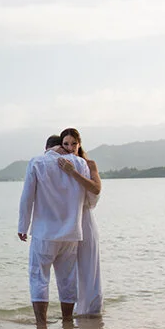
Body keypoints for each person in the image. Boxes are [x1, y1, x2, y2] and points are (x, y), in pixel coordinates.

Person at [18, 133, 91, 327]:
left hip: (45, 232)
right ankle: (67, 322)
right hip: (71, 231)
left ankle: (41, 325)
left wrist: (22, 226)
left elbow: (27, 197)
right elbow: (87, 193)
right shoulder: (80, 163)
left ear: (47, 148)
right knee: (67, 278)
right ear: (62, 146)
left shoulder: (37, 162)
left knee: (39, 277)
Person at [57, 127, 103, 317]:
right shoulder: (57, 163)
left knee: (89, 266)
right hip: (68, 219)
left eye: (73, 144)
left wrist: (73, 172)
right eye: (66, 144)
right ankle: (73, 312)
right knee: (69, 268)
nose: (70, 148)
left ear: (79, 143)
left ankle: (92, 312)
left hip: (85, 218)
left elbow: (96, 188)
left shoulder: (89, 164)